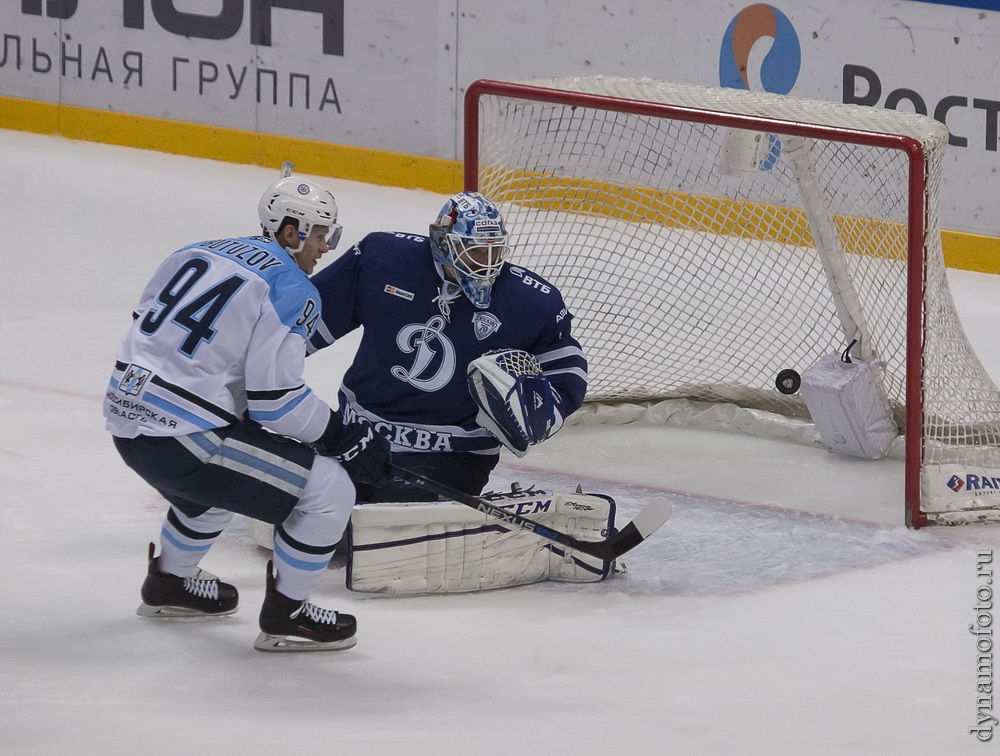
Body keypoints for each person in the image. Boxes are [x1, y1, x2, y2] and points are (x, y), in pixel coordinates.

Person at [103, 172, 391, 652]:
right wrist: (343, 436)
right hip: (182, 438)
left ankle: (170, 585)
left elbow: (150, 327)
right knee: (329, 489)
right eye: (321, 235)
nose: (324, 248)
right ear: (291, 230)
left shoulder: (196, 250)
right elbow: (275, 402)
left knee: (218, 481)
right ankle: (288, 615)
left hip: (125, 418)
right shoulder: (293, 288)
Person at [308, 191, 587, 504]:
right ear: (442, 243)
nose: (487, 264)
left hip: (456, 454)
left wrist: (545, 410)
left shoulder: (531, 302)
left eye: (493, 251)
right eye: (474, 252)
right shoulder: (382, 260)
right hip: (359, 436)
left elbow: (566, 370)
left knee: (392, 519)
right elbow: (303, 323)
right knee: (308, 499)